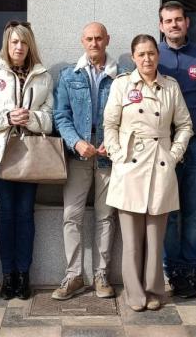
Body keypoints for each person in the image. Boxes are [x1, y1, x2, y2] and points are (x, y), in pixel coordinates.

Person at [105, 34, 193, 312]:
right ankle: (134, 292)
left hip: (160, 165)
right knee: (131, 239)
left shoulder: (170, 87)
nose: (146, 59)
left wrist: (175, 154)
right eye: (141, 54)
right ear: (133, 58)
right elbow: (109, 124)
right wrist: (118, 156)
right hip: (129, 167)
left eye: (151, 53)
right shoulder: (121, 85)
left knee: (156, 238)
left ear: (158, 55)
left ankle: (154, 289)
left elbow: (185, 125)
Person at [0, 21, 54, 300]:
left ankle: (24, 275)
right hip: (1, 155)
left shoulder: (43, 76)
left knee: (25, 215)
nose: (19, 47)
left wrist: (31, 118)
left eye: (23, 42)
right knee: (7, 215)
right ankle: (7, 275)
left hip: (32, 154)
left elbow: (51, 115)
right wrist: (7, 117)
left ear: (30, 45)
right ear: (6, 45)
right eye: (14, 42)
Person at [51, 22, 123, 300]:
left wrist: (113, 142)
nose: (94, 43)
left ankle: (101, 274)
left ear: (107, 40)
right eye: (89, 39)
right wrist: (76, 142)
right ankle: (73, 276)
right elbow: (61, 116)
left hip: (108, 157)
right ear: (82, 41)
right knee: (72, 216)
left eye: (99, 38)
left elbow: (125, 116)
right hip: (78, 155)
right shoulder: (69, 76)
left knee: (106, 216)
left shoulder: (120, 77)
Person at [156, 0, 196, 298]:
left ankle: (193, 270)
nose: (174, 25)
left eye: (179, 20)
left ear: (187, 23)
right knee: (171, 213)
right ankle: (174, 272)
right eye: (168, 21)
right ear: (161, 25)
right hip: (165, 146)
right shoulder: (156, 56)